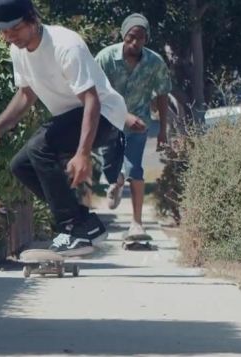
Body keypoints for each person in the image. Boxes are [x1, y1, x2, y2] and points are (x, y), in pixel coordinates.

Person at [0, 0, 128, 256]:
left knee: (39, 146)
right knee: (21, 165)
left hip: (105, 115)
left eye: (16, 29)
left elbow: (91, 100)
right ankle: (85, 224)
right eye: (4, 32)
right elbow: (25, 95)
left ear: (33, 19)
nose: (10, 37)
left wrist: (83, 153)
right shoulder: (17, 51)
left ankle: (73, 227)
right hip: (72, 116)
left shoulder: (66, 45)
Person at [95, 13, 172, 241]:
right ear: (123, 35)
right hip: (108, 122)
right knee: (111, 167)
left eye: (140, 38)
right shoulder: (105, 58)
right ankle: (115, 182)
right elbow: (95, 92)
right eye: (130, 37)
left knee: (135, 169)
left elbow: (162, 94)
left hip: (139, 123)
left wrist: (163, 131)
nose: (135, 43)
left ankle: (136, 223)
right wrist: (122, 115)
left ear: (146, 39)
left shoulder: (154, 62)